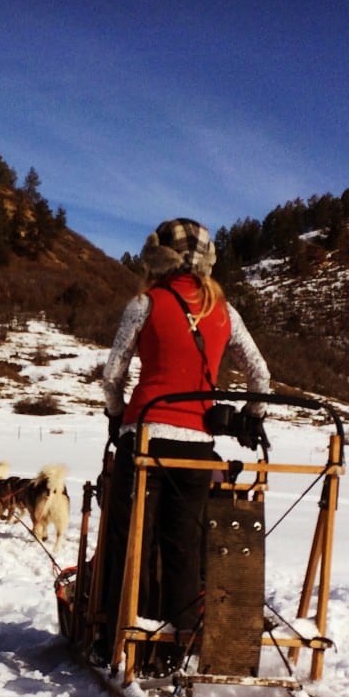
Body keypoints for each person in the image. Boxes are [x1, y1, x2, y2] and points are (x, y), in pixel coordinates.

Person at [97, 218, 269, 670]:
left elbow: (112, 374)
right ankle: (177, 649)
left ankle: (114, 640)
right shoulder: (225, 311)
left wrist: (116, 415)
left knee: (129, 540)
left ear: (159, 257)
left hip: (146, 439)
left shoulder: (144, 303)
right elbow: (260, 375)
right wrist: (253, 418)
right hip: (197, 447)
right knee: (182, 549)